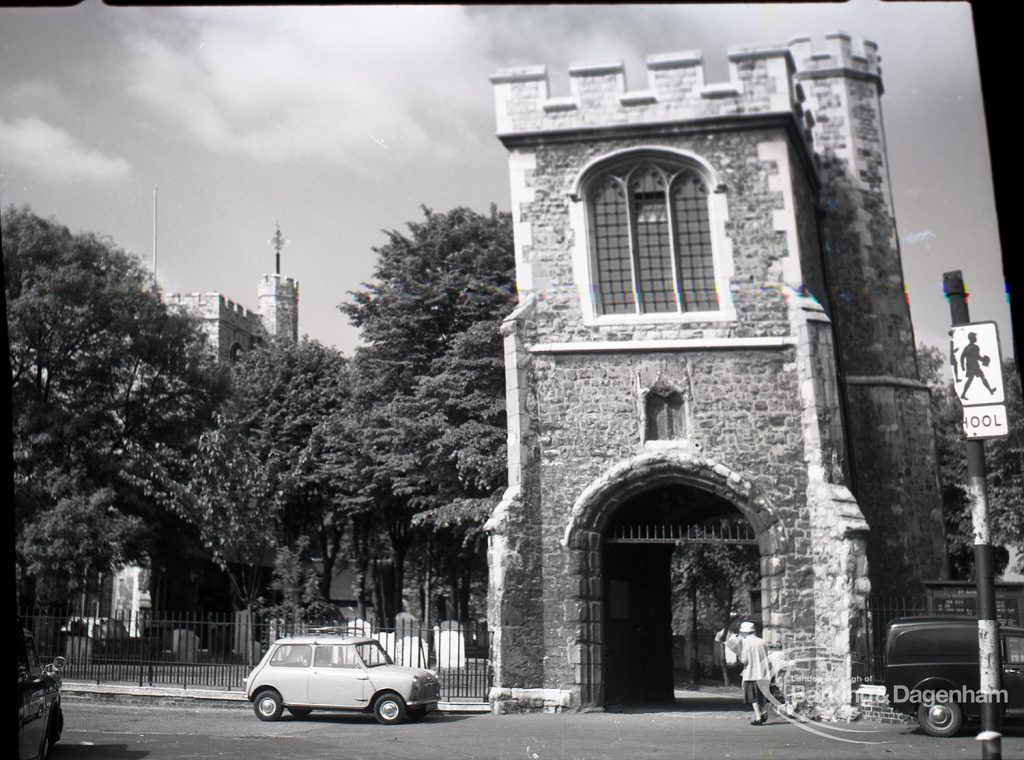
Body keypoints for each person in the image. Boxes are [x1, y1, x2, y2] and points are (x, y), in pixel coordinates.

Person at [737, 621, 771, 725]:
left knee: (753, 697)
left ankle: (758, 716)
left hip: (751, 673)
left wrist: (739, 656)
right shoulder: (762, 641)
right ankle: (763, 711)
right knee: (762, 695)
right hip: (763, 672)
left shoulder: (745, 643)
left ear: (745, 632)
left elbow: (745, 661)